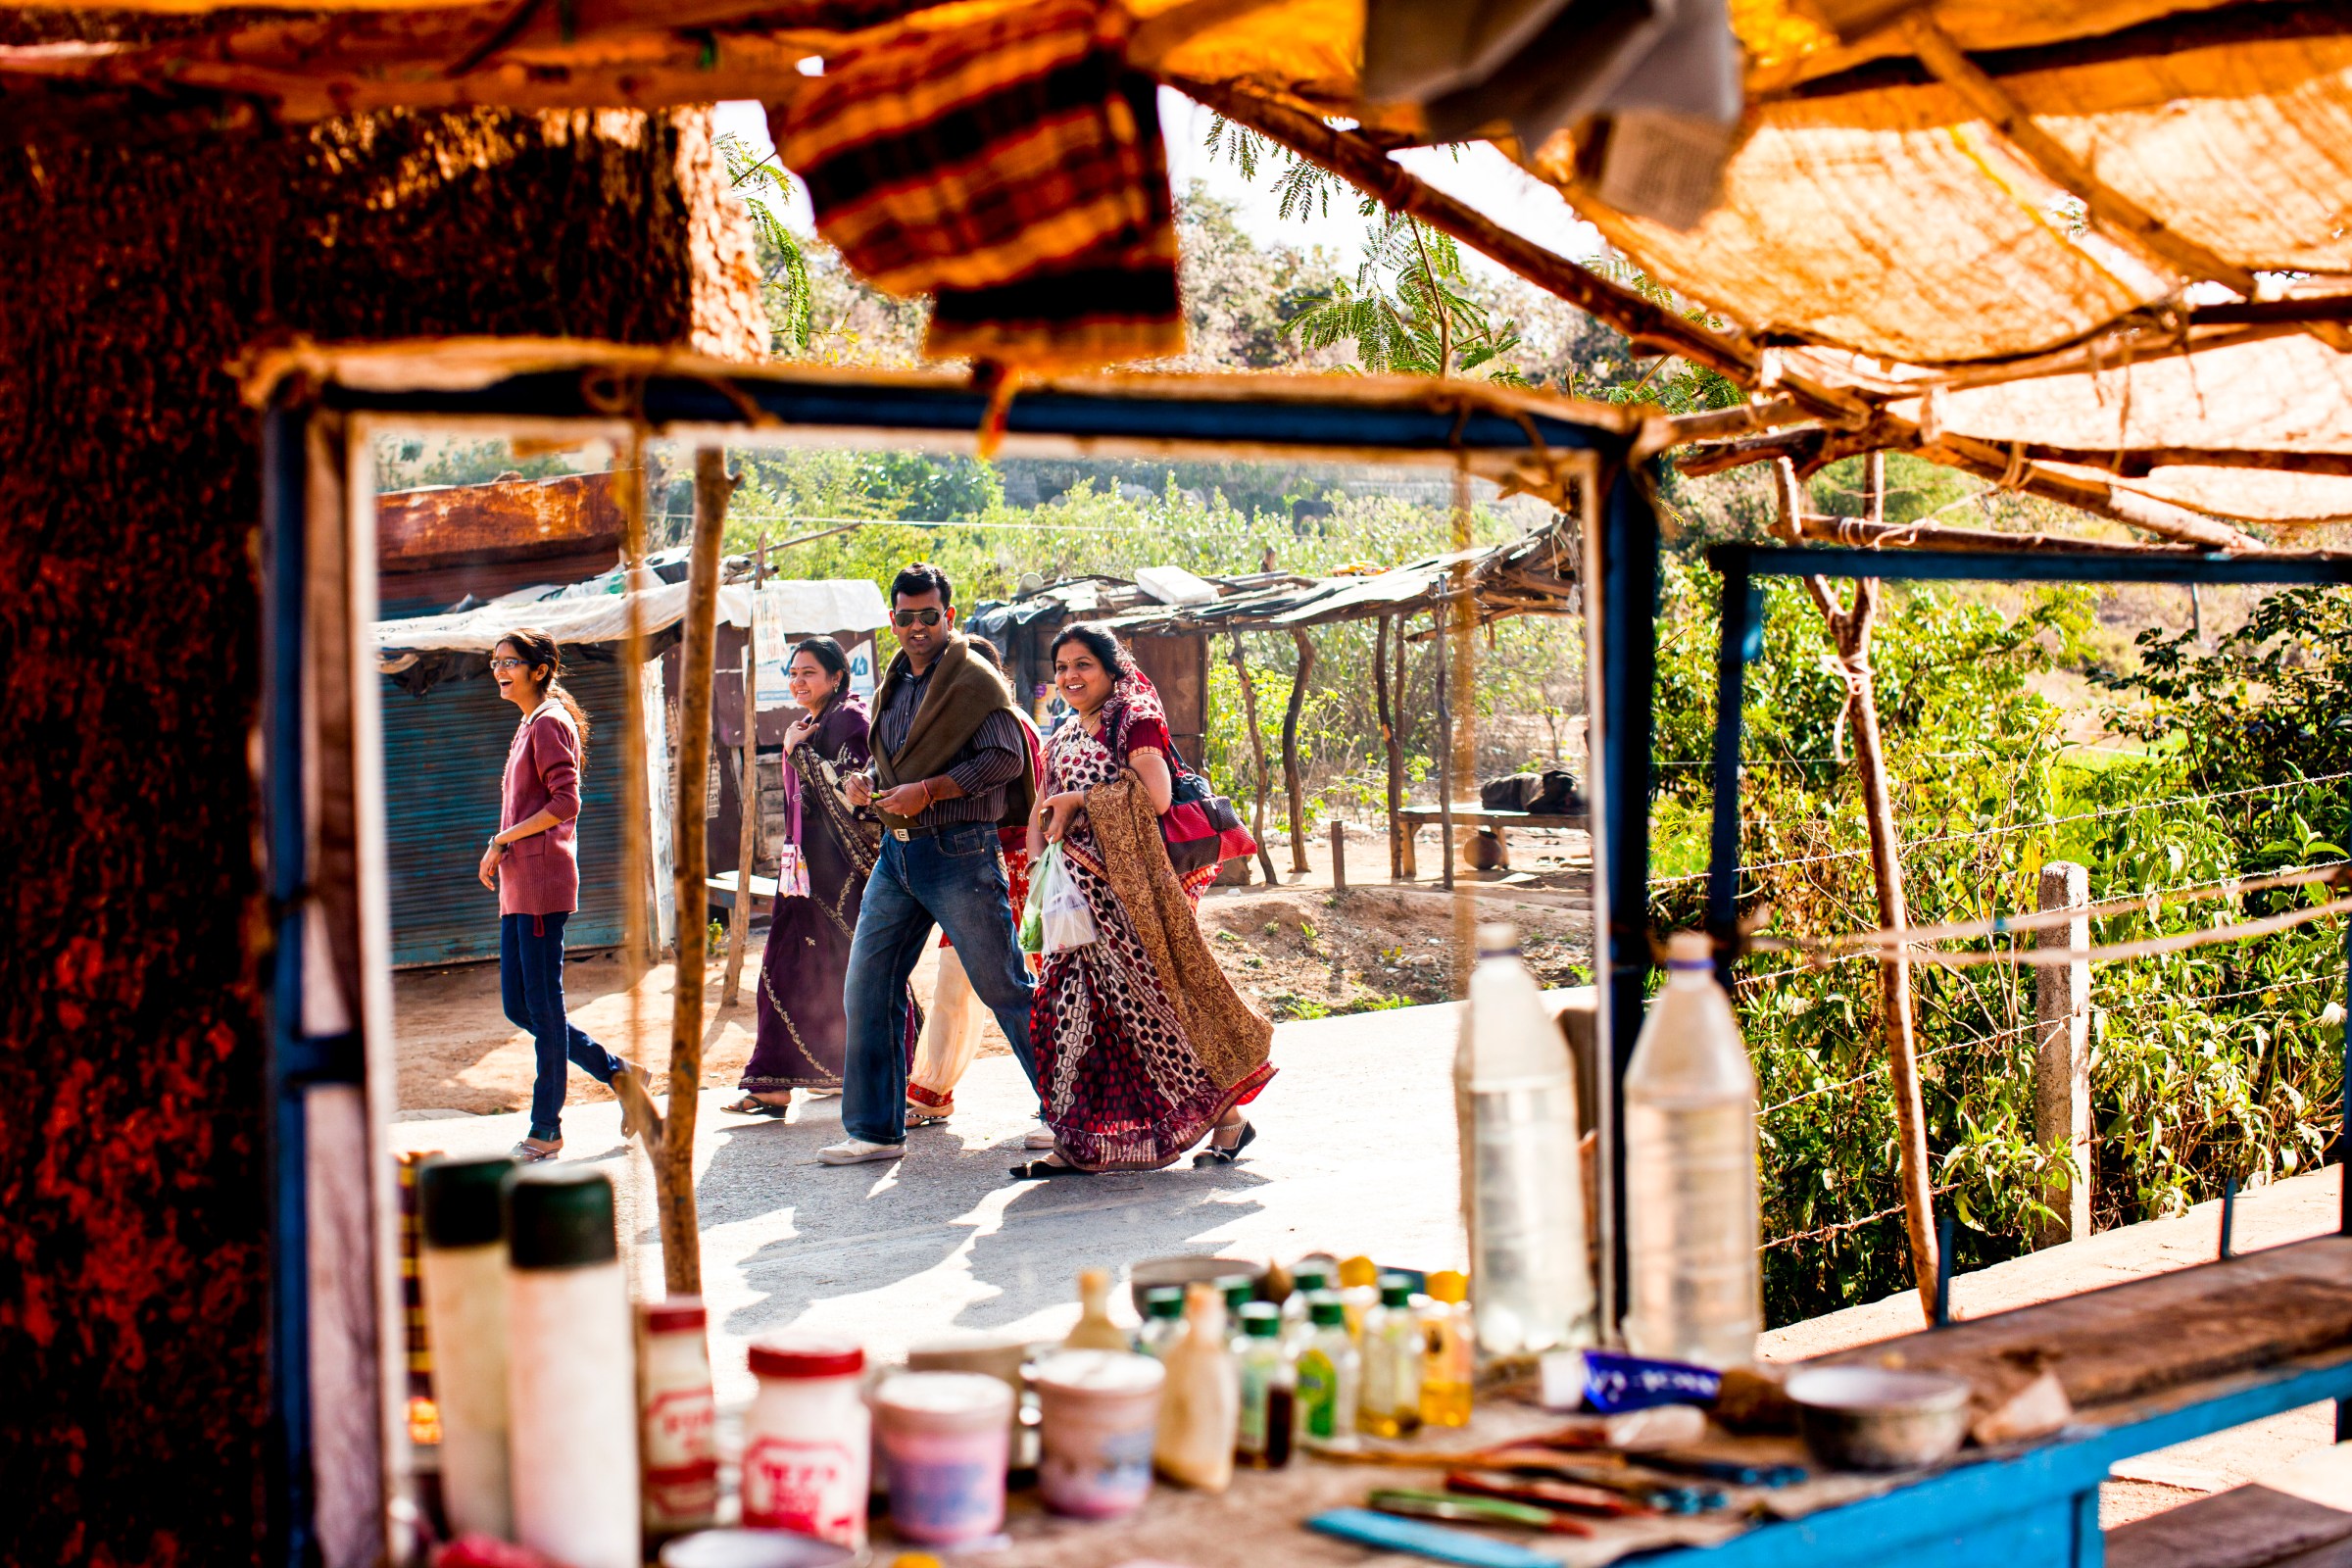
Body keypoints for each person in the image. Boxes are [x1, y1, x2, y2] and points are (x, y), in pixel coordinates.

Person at [1016, 622, 1274, 1177]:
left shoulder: (1135, 720)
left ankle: (1227, 1118)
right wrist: (1040, 862)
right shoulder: (1060, 734)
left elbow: (1155, 797)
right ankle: (1078, 1140)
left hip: (1128, 897)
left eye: (1083, 664)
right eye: (1061, 667)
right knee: (1068, 1011)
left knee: (1149, 1015)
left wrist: (1078, 801)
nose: (1069, 676)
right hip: (1071, 903)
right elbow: (1041, 805)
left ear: (1111, 669)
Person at [821, 564, 1042, 1165]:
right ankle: (873, 1131)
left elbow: (1004, 759)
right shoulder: (895, 680)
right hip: (898, 854)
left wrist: (932, 791)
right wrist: (872, 783)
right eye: (906, 617)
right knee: (868, 985)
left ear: (950, 614)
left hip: (959, 851)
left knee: (1003, 986)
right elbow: (899, 764)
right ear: (892, 621)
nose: (917, 626)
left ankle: (1067, 1111)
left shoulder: (975, 680)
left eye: (930, 615)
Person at [479, 628, 659, 1162]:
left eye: (510, 662)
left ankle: (546, 1127)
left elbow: (566, 802)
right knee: (521, 1005)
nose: (500, 671)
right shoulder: (529, 724)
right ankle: (620, 1073)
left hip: (539, 885)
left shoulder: (549, 723)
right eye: (495, 662)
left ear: (539, 669)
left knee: (544, 1006)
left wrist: (501, 840)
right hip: (519, 886)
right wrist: (501, 846)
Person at [732, 637, 919, 1115]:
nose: (797, 681)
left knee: (863, 971)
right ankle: (781, 1079)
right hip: (805, 874)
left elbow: (857, 796)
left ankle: (902, 1071)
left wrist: (799, 753)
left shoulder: (849, 719)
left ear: (837, 676)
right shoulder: (815, 722)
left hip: (843, 875)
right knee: (796, 970)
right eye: (792, 673)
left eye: (808, 672)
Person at [905, 636, 1045, 1127]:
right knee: (959, 978)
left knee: (1024, 985)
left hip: (1008, 866)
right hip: (986, 866)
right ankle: (931, 1090)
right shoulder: (998, 722)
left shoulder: (1007, 724)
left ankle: (1062, 1094)